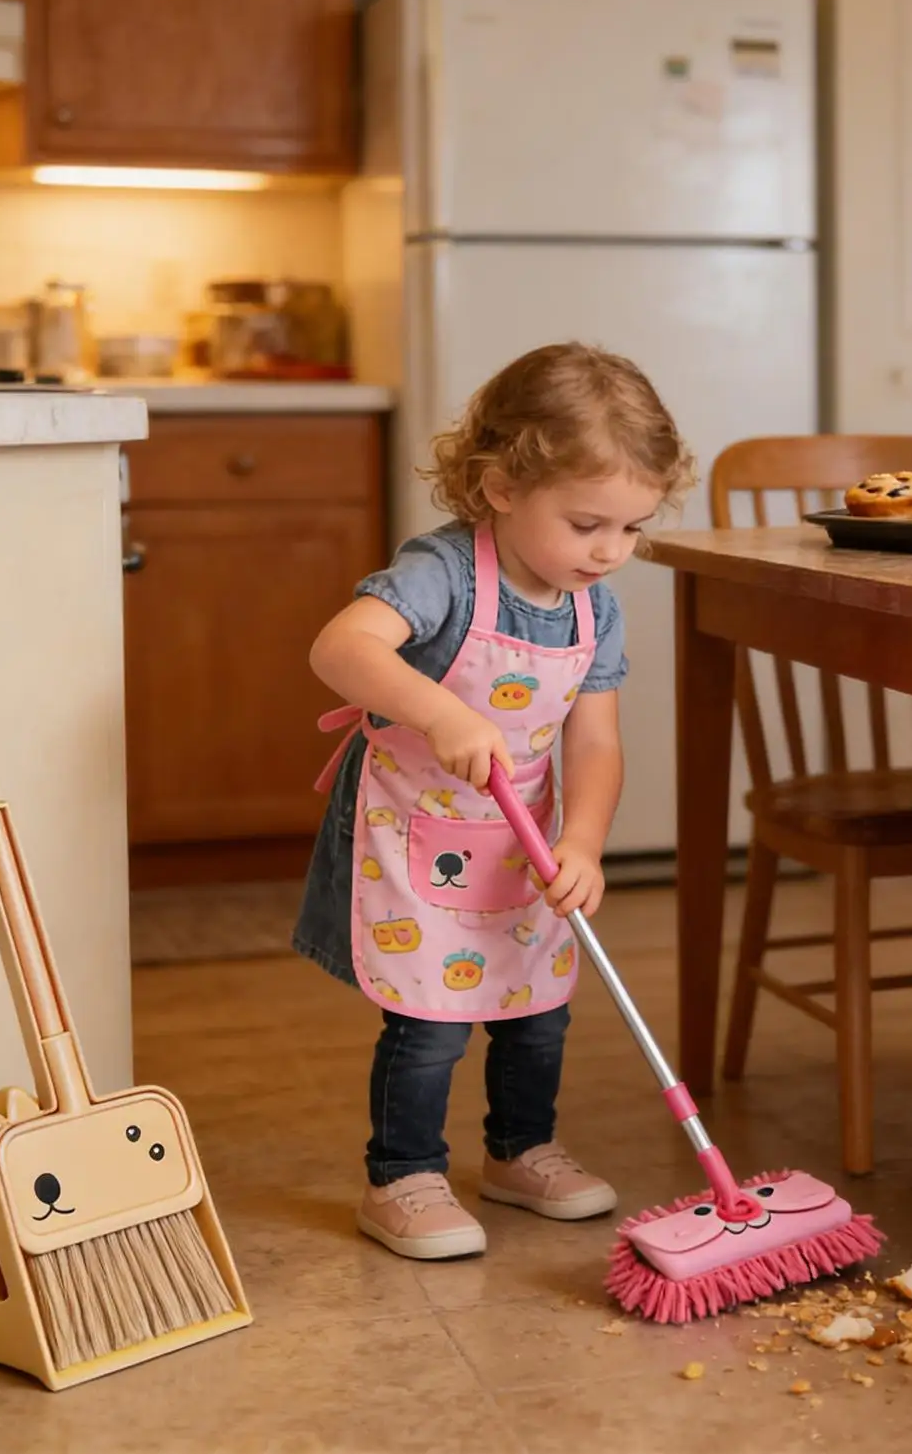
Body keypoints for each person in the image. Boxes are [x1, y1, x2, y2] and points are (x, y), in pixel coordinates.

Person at [294, 342, 694, 1258]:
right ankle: (401, 1175)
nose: (609, 551)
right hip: (413, 830)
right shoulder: (442, 571)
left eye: (631, 529)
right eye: (588, 522)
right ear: (502, 485)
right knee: (431, 1017)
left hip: (523, 846)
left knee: (534, 1006)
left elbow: (595, 741)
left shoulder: (597, 607)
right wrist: (439, 711)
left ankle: (520, 1150)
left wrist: (585, 843)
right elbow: (340, 647)